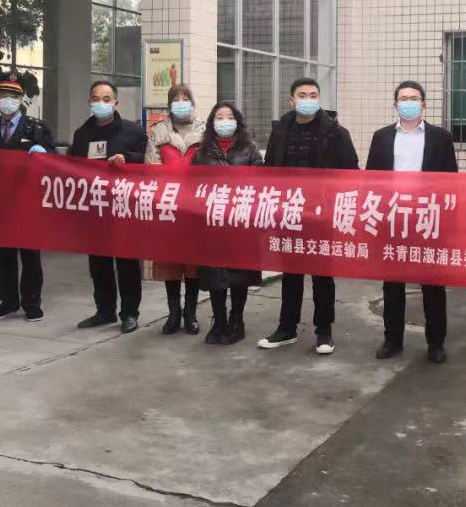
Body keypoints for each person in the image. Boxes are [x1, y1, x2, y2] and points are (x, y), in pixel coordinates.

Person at [258, 77, 359, 355]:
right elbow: (269, 169)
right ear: (291, 101)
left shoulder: (336, 133)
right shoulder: (280, 132)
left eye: (313, 95)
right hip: (289, 212)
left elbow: (351, 172)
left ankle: (324, 331)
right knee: (291, 273)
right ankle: (286, 328)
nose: (308, 99)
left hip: (321, 214)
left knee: (322, 275)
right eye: (302, 95)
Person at [366, 80, 459, 364]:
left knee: (432, 282)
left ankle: (436, 342)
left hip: (428, 217)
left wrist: (446, 219)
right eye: (404, 98)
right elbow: (371, 179)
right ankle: (393, 339)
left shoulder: (440, 137)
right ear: (395, 105)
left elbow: (451, 181)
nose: (409, 102)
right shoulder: (382, 137)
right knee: (393, 283)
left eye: (414, 98)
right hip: (393, 218)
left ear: (424, 104)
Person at [0, 70, 56, 322]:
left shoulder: (36, 127)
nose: (6, 99)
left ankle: (32, 302)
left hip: (29, 199)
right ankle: (8, 301)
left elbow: (55, 162)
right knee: (4, 253)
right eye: (1, 94)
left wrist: (45, 154)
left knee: (30, 253)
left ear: (21, 98)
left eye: (12, 95)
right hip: (1, 201)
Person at [69, 80, 148, 333]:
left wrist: (128, 159)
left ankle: (129, 313)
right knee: (98, 264)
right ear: (89, 102)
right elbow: (73, 167)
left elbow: (148, 163)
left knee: (127, 263)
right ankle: (104, 311)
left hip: (125, 207)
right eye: (95, 98)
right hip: (96, 208)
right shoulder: (82, 134)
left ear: (115, 102)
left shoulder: (133, 132)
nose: (100, 103)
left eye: (106, 99)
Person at [193, 101, 264, 345]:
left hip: (240, 222)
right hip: (212, 223)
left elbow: (261, 183)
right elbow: (193, 186)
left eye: (229, 117)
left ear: (238, 122)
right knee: (215, 275)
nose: (225, 121)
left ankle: (237, 320)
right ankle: (219, 320)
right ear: (212, 123)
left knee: (238, 275)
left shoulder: (249, 150)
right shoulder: (202, 152)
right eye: (219, 117)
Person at [145, 84, 205, 336]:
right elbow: (151, 167)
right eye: (176, 99)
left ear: (192, 102)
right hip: (168, 205)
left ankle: (191, 314)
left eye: (185, 98)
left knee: (193, 263)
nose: (181, 102)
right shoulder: (159, 131)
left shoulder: (205, 130)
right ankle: (173, 313)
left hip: (195, 207)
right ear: (169, 105)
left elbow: (211, 168)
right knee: (170, 261)